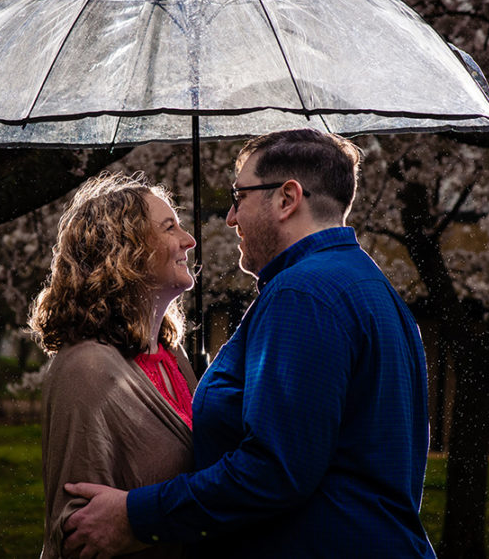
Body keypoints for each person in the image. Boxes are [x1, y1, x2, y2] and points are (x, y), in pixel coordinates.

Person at [63, 129, 437, 558]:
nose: (231, 217)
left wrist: (137, 516)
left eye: (239, 196)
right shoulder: (371, 287)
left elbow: (273, 471)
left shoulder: (302, 294)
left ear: (286, 198)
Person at [30, 171, 199, 559]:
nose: (189, 240)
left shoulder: (174, 357)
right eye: (169, 227)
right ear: (125, 250)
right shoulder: (86, 369)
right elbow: (80, 531)